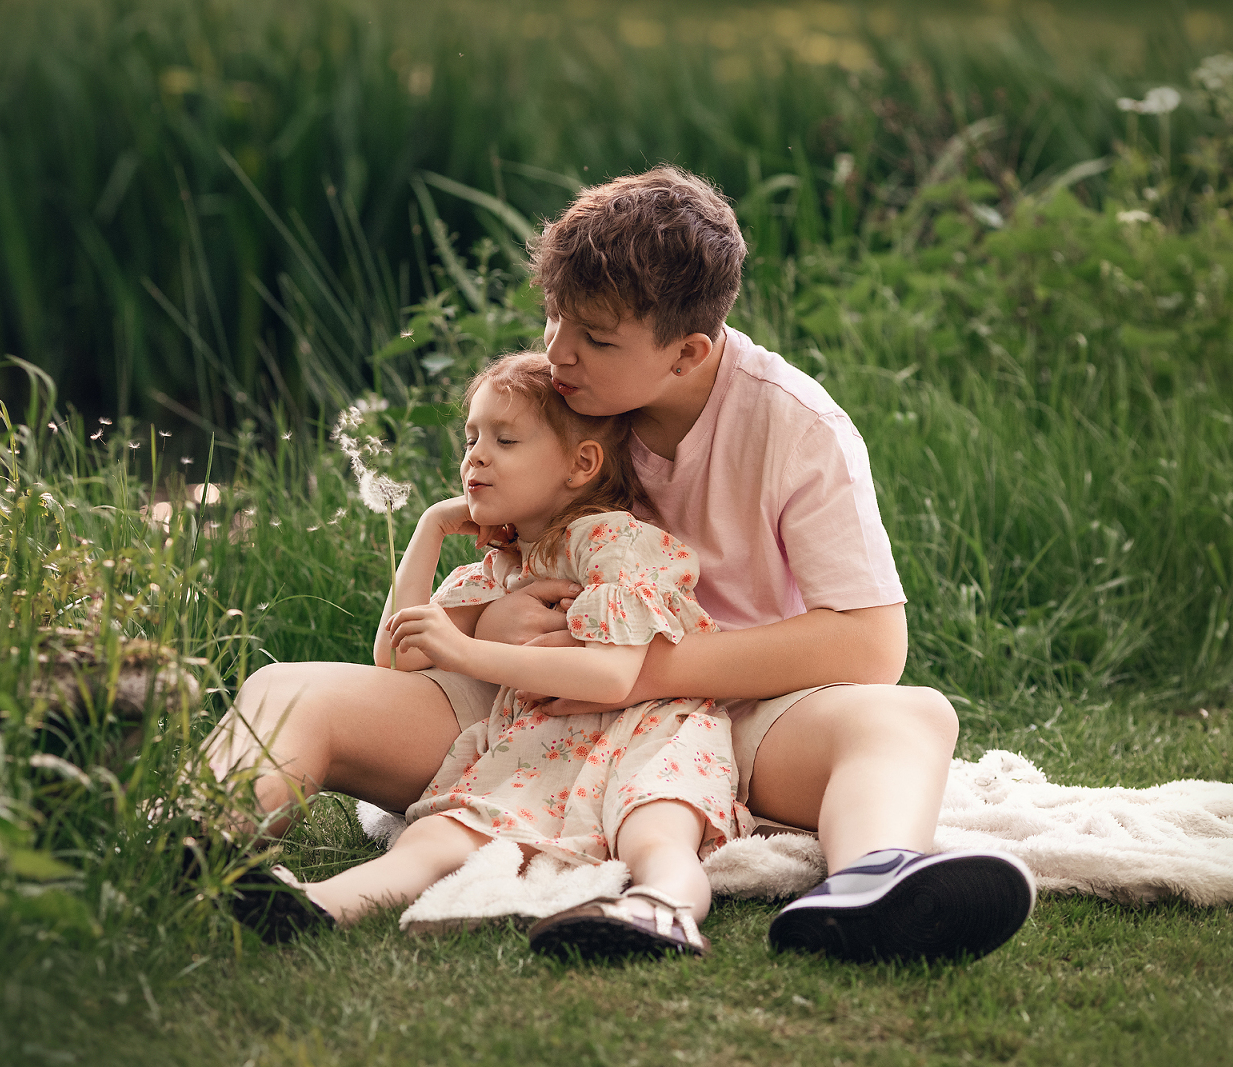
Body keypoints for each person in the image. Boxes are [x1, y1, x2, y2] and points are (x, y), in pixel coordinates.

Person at [205, 165, 1034, 963]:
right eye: (555, 320)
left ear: (688, 352)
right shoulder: (562, 400)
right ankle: (199, 843)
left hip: (728, 725)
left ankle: (873, 882)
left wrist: (638, 673)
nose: (561, 354)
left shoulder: (797, 429)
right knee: (288, 688)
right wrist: (494, 622)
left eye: (595, 338)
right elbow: (493, 555)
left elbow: (868, 645)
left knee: (910, 714)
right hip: (528, 707)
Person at [252, 352, 747, 958]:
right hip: (546, 738)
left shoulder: (618, 544)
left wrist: (466, 651)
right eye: (471, 438)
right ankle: (318, 905)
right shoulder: (504, 566)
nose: (475, 457)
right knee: (437, 834)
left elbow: (611, 677)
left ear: (581, 464)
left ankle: (661, 909)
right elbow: (397, 655)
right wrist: (429, 528)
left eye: (504, 439)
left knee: (654, 831)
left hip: (654, 732)